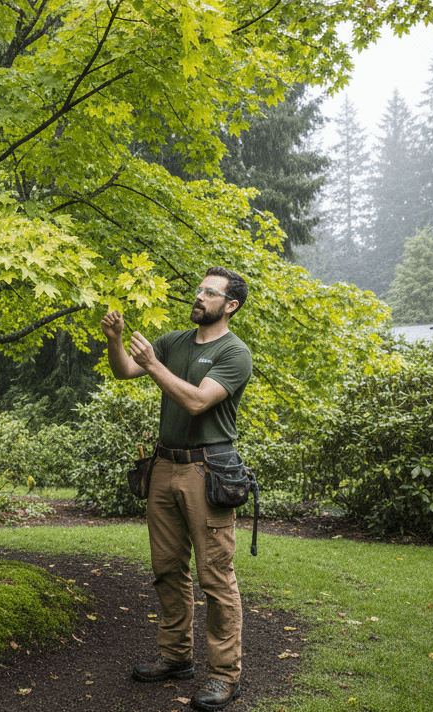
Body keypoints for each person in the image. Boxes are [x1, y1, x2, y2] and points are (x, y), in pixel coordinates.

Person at [101, 266, 252, 711]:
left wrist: (152, 365)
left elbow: (196, 400)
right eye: (200, 289)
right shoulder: (174, 340)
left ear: (230, 305)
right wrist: (115, 339)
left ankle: (225, 675)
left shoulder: (235, 352)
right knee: (167, 568)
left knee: (216, 577)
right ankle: (175, 656)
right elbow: (125, 371)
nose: (200, 296)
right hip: (164, 466)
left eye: (211, 292)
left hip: (207, 471)